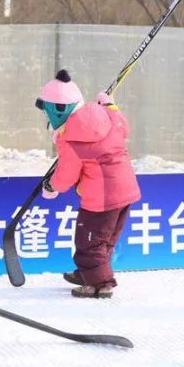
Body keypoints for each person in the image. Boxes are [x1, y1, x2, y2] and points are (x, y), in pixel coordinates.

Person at [36, 70, 141, 298]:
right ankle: (89, 273)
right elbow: (123, 127)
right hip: (125, 191)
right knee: (104, 241)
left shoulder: (70, 138)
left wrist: (52, 187)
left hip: (101, 200)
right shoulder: (104, 115)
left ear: (58, 110)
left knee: (89, 243)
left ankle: (101, 284)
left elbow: (66, 175)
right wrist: (111, 105)